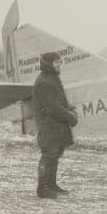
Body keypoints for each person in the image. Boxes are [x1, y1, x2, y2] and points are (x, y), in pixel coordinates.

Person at [32, 51, 78, 199]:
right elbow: (53, 108)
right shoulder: (45, 81)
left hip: (55, 126)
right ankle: (42, 189)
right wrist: (71, 117)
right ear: (49, 64)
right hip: (49, 126)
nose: (60, 66)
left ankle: (51, 185)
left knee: (55, 154)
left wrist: (69, 108)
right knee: (49, 155)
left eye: (60, 63)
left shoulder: (51, 78)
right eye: (57, 63)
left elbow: (59, 102)